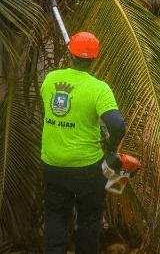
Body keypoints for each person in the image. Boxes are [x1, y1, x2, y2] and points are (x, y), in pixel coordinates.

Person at [40, 32, 126, 254]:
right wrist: (110, 143)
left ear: (70, 54)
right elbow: (117, 124)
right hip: (87, 168)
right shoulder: (98, 88)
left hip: (53, 164)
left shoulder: (50, 79)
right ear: (94, 59)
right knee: (89, 219)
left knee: (56, 214)